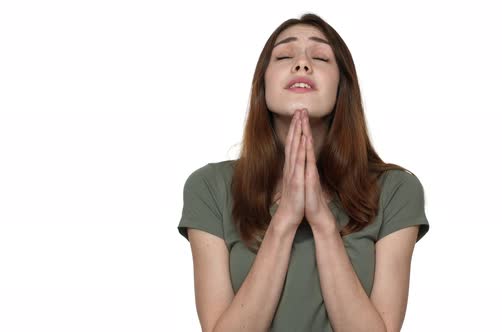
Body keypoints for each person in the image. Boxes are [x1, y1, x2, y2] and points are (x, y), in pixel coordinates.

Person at [177, 13, 430, 332]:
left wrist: (323, 224)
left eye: (321, 57)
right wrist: (285, 221)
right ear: (262, 86)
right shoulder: (210, 187)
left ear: (342, 88)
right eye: (284, 56)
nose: (302, 64)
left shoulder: (396, 190)